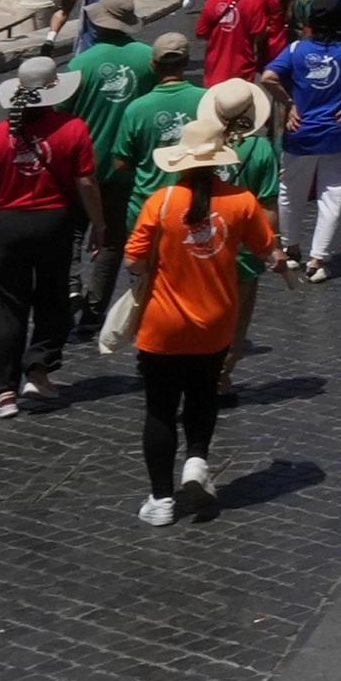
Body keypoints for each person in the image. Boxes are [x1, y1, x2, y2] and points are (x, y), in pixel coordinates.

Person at [118, 114, 275, 526]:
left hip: (163, 325)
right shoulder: (241, 201)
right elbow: (267, 250)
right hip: (216, 322)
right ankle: (197, 462)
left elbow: (133, 259)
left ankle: (161, 499)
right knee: (204, 394)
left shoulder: (162, 203)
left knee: (160, 409)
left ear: (182, 161)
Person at [0, 53, 95, 414]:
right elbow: (86, 182)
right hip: (55, 221)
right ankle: (38, 368)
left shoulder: (0, 134)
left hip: (10, 224)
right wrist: (100, 226)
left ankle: (3, 391)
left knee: (6, 305)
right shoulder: (74, 129)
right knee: (53, 297)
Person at [266, 0, 341, 280]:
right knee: (332, 197)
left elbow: (268, 78)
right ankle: (318, 259)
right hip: (338, 133)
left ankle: (290, 248)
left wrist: (290, 104)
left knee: (290, 192)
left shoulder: (296, 49)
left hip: (300, 133)